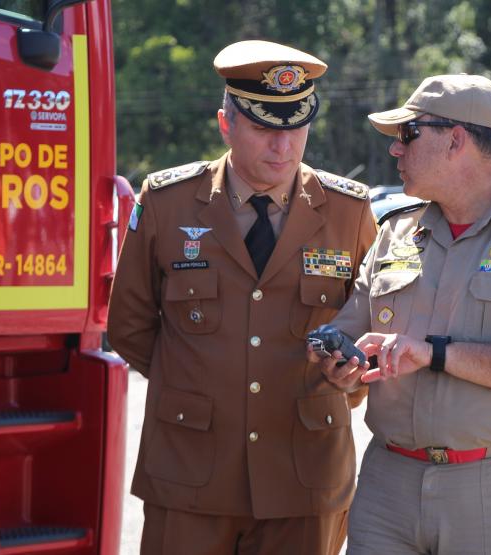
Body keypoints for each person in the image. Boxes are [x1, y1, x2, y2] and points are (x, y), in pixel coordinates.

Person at [310, 74, 491, 554]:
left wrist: (434, 354)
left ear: (456, 140)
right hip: (389, 483)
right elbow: (353, 337)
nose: (395, 151)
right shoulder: (396, 233)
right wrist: (342, 366)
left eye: (408, 135)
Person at [107, 40, 378, 555]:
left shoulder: (349, 211)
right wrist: (202, 380)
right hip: (190, 472)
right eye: (264, 129)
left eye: (295, 128)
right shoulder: (166, 202)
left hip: (304, 477)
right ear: (226, 123)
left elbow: (366, 322)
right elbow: (129, 325)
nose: (283, 147)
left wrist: (352, 374)